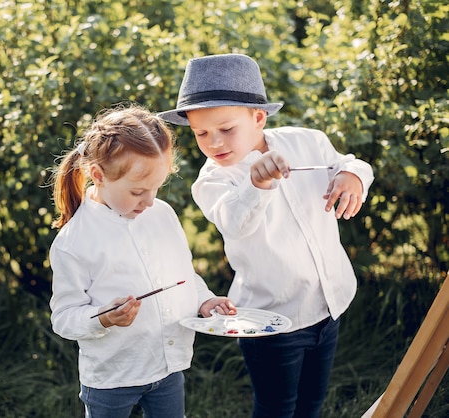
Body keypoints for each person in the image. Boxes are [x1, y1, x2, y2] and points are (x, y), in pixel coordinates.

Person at [158, 54, 374, 418]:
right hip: (269, 321)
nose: (213, 142)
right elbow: (234, 222)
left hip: (328, 305)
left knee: (311, 403)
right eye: (201, 134)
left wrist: (352, 175)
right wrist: (256, 184)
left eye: (225, 129)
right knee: (276, 408)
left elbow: (350, 162)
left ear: (258, 117)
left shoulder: (308, 142)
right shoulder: (213, 180)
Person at [49, 103, 236, 418]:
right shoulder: (74, 242)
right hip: (112, 378)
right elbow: (64, 319)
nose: (150, 201)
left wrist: (203, 300)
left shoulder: (161, 213)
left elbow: (182, 276)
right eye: (138, 191)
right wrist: (103, 317)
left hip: (167, 367)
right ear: (99, 176)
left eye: (156, 188)